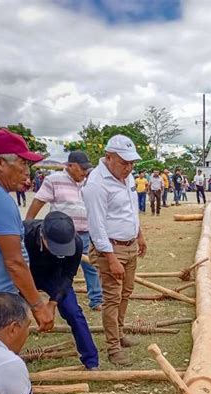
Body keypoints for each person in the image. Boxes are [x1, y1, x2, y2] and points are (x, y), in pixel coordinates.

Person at [82, 134, 147, 366]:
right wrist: (110, 258)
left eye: (131, 163)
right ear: (108, 157)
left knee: (126, 292)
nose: (129, 168)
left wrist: (139, 235)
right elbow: (97, 226)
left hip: (129, 245)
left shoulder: (126, 177)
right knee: (112, 298)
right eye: (123, 162)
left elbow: (131, 209)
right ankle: (113, 348)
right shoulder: (96, 184)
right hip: (110, 249)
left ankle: (119, 333)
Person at [0, 128, 54, 332]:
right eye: (23, 162)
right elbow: (14, 261)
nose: (28, 171)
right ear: (0, 163)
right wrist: (38, 305)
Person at [26, 150, 103, 312]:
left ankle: (96, 299)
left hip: (86, 233)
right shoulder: (53, 180)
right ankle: (60, 300)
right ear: (70, 166)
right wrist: (28, 223)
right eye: (82, 169)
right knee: (60, 269)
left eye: (86, 169)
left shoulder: (89, 182)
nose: (84, 172)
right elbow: (38, 201)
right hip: (61, 237)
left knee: (91, 267)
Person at [24, 212, 99, 370]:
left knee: (73, 312)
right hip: (24, 275)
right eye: (56, 247)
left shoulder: (76, 243)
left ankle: (91, 361)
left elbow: (68, 275)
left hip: (55, 277)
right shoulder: (24, 234)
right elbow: (13, 265)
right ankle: (4, 360)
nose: (60, 251)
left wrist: (52, 303)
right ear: (43, 235)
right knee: (11, 315)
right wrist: (35, 304)